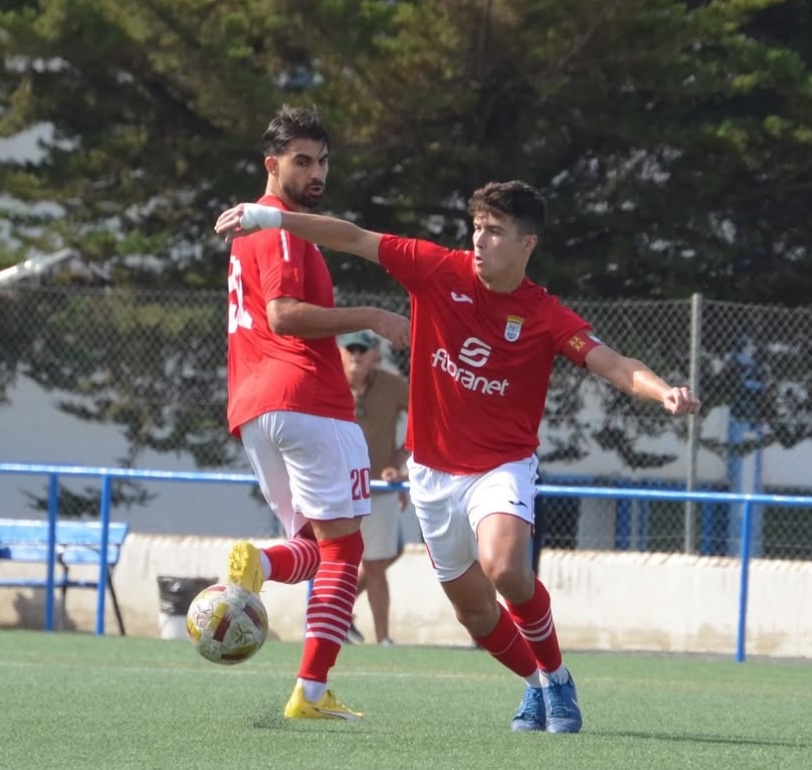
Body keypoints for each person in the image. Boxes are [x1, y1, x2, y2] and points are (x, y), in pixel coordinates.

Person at [214, 179, 701, 734]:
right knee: (474, 613)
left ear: (527, 244)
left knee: (506, 570)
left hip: (502, 467)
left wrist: (663, 391)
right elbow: (351, 237)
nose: (480, 241)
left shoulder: (542, 313)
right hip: (432, 475)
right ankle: (535, 685)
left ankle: (557, 677)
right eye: (476, 229)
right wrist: (268, 217)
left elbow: (611, 362)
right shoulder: (436, 269)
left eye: (495, 232)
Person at [222, 104, 409, 723]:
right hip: (309, 401)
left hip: (256, 410)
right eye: (302, 161)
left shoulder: (271, 222)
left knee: (312, 544)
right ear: (272, 165)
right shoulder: (282, 227)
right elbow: (284, 315)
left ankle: (263, 564)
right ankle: (312, 690)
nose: (316, 171)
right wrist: (370, 316)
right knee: (346, 550)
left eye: (322, 160)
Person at [337, 330, 409, 647]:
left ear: (376, 354)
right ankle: (334, 623)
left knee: (379, 561)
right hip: (336, 491)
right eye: (350, 348)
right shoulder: (328, 383)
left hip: (378, 488)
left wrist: (400, 466)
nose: (356, 354)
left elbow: (420, 425)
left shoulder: (394, 386)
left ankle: (382, 640)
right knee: (338, 563)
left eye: (362, 349)